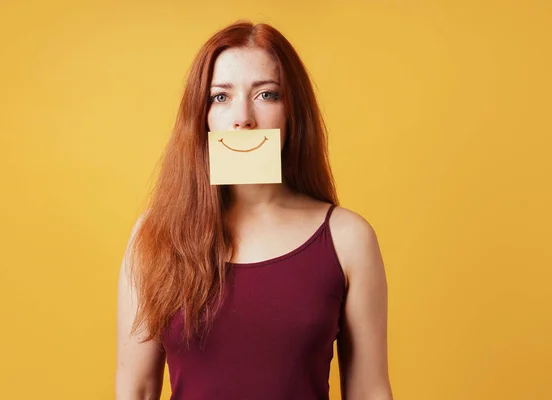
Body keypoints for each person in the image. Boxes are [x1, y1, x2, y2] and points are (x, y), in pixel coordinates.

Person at [115, 20, 393, 400]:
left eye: (267, 95)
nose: (243, 117)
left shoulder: (348, 239)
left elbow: (369, 392)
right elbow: (136, 389)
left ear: (292, 113)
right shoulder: (156, 235)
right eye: (220, 97)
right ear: (202, 118)